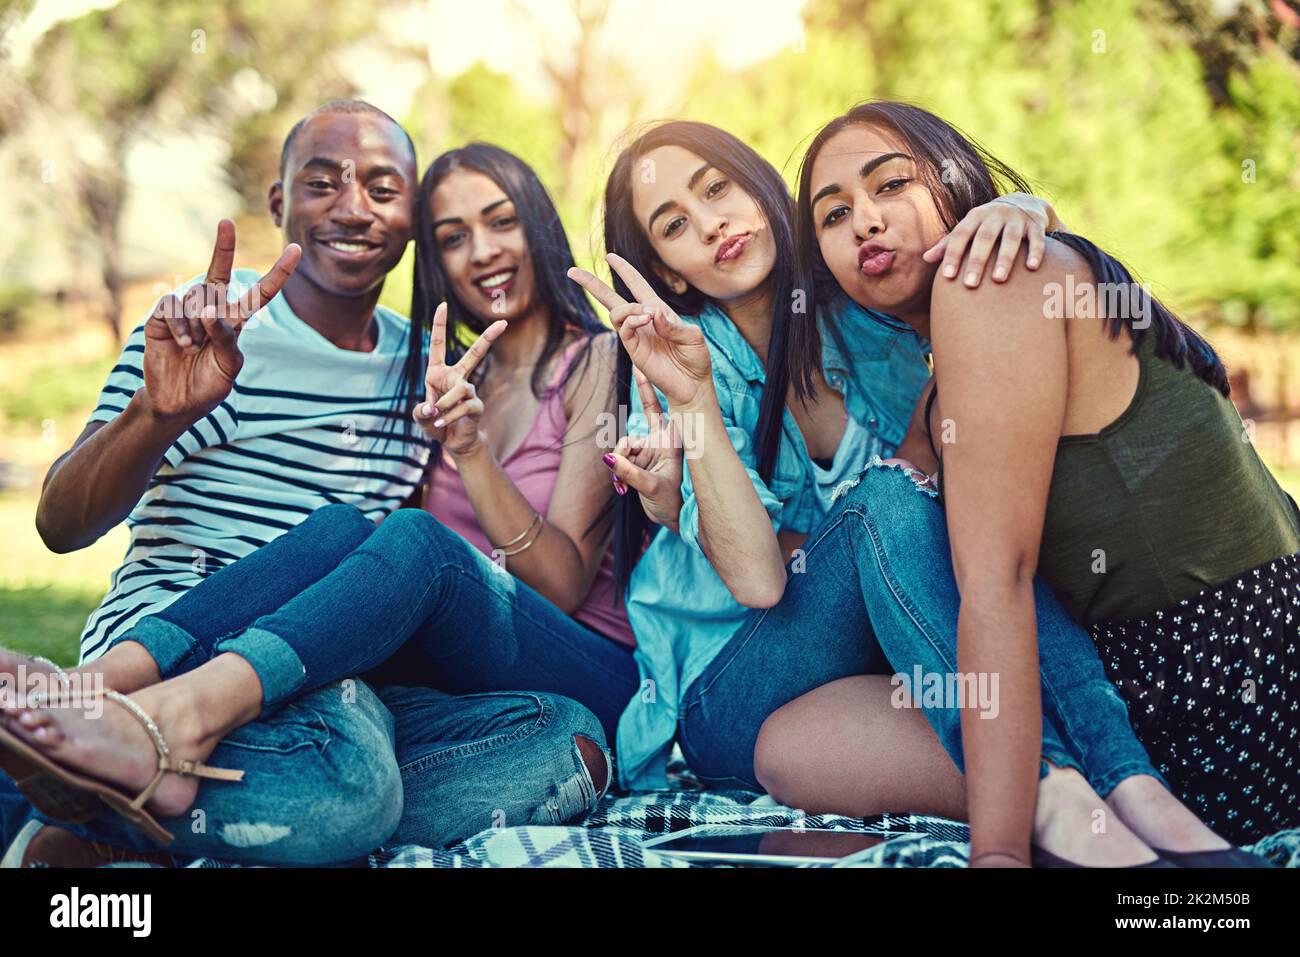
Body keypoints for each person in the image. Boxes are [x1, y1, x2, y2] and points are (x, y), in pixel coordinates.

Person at [0, 103, 607, 867]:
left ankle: (80, 803)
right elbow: (60, 524)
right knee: (353, 787)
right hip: (180, 635)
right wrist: (155, 413)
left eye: (384, 189)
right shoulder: (206, 323)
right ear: (278, 201)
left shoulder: (425, 365)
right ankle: (116, 726)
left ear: (412, 221)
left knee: (560, 743)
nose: (354, 207)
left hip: (322, 659)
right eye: (322, 183)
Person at [750, 99, 1292, 866]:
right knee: (790, 743)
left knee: (916, 523)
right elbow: (897, 533)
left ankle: (1092, 822)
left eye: (891, 185)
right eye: (833, 216)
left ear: (959, 182)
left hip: (1209, 709)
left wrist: (998, 855)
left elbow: (997, 580)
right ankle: (1080, 786)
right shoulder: (952, 376)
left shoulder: (993, 282)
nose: (864, 221)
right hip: (1230, 702)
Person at [568, 120, 1053, 812]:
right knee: (886, 499)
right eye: (675, 226)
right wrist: (695, 398)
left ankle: (1078, 783)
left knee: (962, 535)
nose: (712, 225)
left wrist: (1024, 211)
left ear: (763, 189)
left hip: (876, 663)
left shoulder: (864, 298)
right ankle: (1054, 783)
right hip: (731, 693)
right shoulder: (671, 371)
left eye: (718, 189)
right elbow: (763, 579)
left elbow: (968, 278)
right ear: (670, 270)